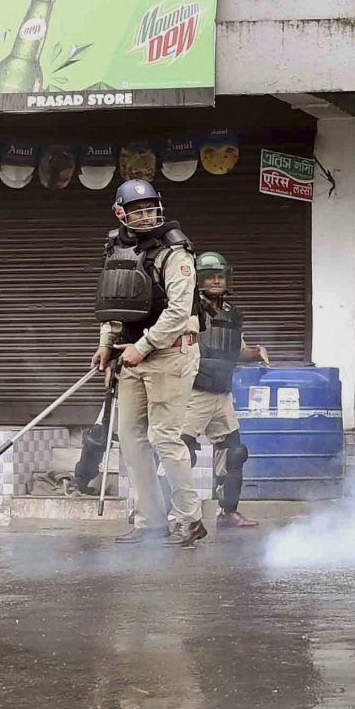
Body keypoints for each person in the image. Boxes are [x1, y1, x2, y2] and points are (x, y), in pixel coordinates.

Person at [92, 178, 205, 549]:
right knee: (130, 437)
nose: (145, 215)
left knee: (164, 437)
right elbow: (115, 304)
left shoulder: (175, 252)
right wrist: (106, 345)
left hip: (171, 353)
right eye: (137, 209)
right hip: (131, 355)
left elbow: (179, 310)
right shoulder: (116, 248)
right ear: (120, 212)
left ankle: (189, 520)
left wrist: (143, 346)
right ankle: (149, 522)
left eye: (151, 207)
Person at [182, 251, 269, 530]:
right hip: (194, 392)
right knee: (182, 452)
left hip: (222, 392)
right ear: (199, 280)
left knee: (235, 452)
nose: (216, 281)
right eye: (209, 276)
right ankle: (169, 515)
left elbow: (236, 351)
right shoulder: (187, 309)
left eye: (220, 276)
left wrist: (255, 353)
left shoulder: (232, 314)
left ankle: (228, 513)